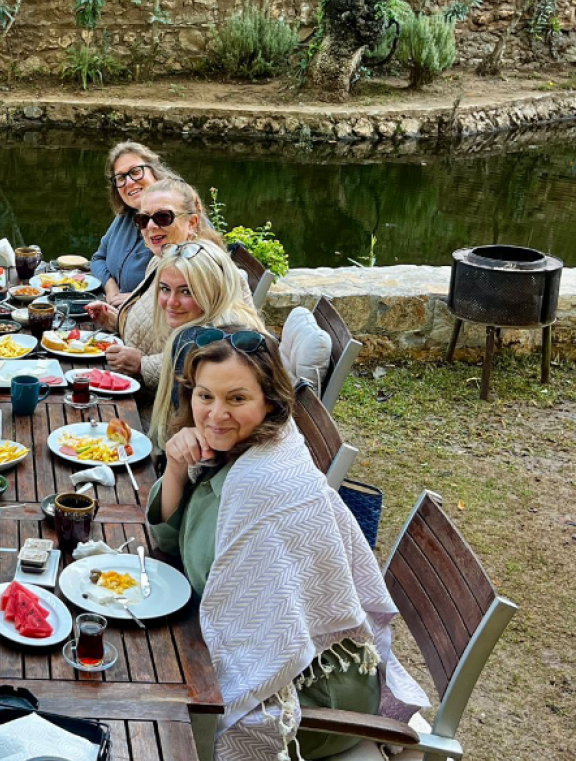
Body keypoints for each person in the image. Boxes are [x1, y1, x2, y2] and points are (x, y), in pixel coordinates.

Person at [147, 329, 427, 760]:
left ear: (270, 403)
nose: (215, 414)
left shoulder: (262, 486)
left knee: (146, 715)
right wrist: (176, 468)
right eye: (205, 396)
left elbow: (246, 637)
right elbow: (168, 540)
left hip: (308, 696)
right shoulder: (233, 453)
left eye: (237, 399)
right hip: (269, 656)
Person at [87, 179, 250, 418]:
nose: (150, 226)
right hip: (133, 392)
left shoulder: (211, 273)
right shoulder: (161, 260)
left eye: (163, 217)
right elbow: (155, 326)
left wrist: (143, 365)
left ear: (192, 222)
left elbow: (215, 349)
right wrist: (115, 320)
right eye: (143, 219)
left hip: (166, 414)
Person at [91, 142, 169, 307]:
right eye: (120, 178)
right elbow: (98, 258)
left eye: (135, 171)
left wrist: (138, 300)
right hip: (117, 316)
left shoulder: (179, 219)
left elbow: (196, 285)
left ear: (154, 171)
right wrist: (111, 289)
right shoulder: (125, 217)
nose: (129, 182)